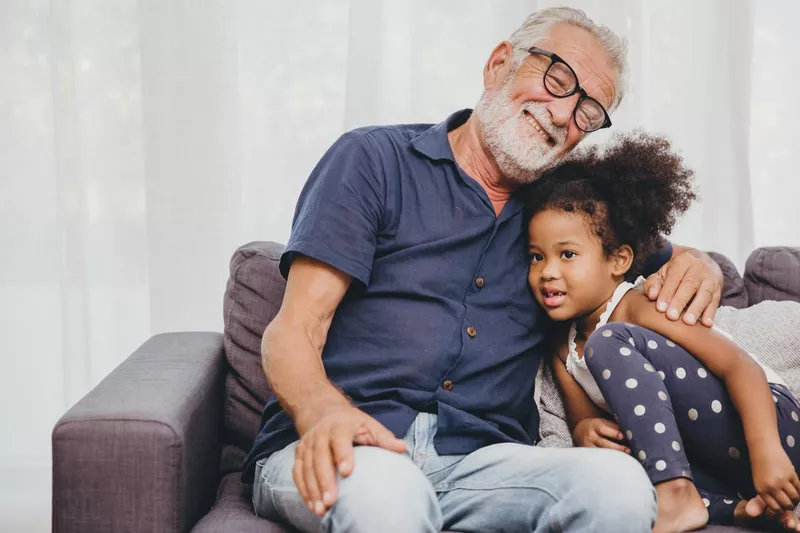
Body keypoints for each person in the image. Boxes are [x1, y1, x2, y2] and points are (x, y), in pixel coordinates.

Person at [243, 7, 725, 533]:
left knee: (619, 487)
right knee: (389, 497)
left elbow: (664, 254)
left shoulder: (568, 218)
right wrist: (321, 412)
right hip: (348, 441)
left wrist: (698, 263)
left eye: (588, 112)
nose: (564, 114)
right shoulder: (373, 160)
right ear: (499, 64)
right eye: (557, 79)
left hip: (483, 463)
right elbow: (294, 328)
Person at [525, 132, 800, 533]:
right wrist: (587, 432)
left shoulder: (637, 305)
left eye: (567, 254)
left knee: (608, 341)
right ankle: (733, 509)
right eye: (536, 256)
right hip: (719, 467)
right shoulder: (561, 348)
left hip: (773, 425)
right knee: (628, 465)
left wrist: (767, 452)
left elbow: (740, 367)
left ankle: (675, 493)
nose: (548, 270)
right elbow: (582, 422)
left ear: (618, 260)